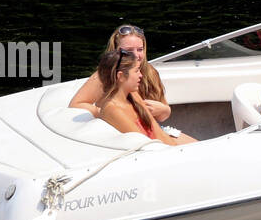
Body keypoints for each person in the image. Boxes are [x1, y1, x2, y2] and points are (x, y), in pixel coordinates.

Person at [70, 25, 198, 143]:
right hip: (129, 134)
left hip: (152, 128)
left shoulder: (149, 73)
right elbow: (76, 104)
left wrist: (164, 109)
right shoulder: (103, 77)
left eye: (140, 49)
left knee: (197, 146)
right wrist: (106, 113)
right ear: (116, 51)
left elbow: (160, 120)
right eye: (128, 51)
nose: (136, 55)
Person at [92, 49, 185, 145]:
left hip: (161, 148)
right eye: (136, 71)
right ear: (121, 76)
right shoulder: (112, 109)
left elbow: (157, 131)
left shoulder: (133, 96)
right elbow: (144, 144)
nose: (141, 75)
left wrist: (174, 148)